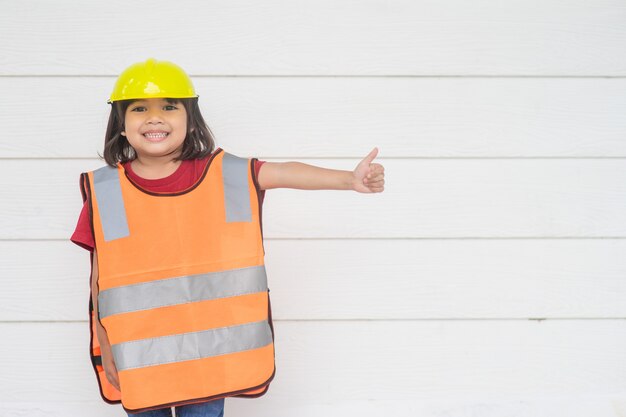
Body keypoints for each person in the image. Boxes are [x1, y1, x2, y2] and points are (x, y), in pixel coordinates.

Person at [70, 58, 385, 417]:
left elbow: (282, 172)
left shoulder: (228, 173)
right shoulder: (104, 190)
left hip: (210, 360)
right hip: (140, 363)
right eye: (139, 108)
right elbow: (101, 283)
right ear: (121, 126)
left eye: (169, 107)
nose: (154, 118)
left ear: (190, 121)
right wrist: (106, 348)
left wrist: (348, 179)